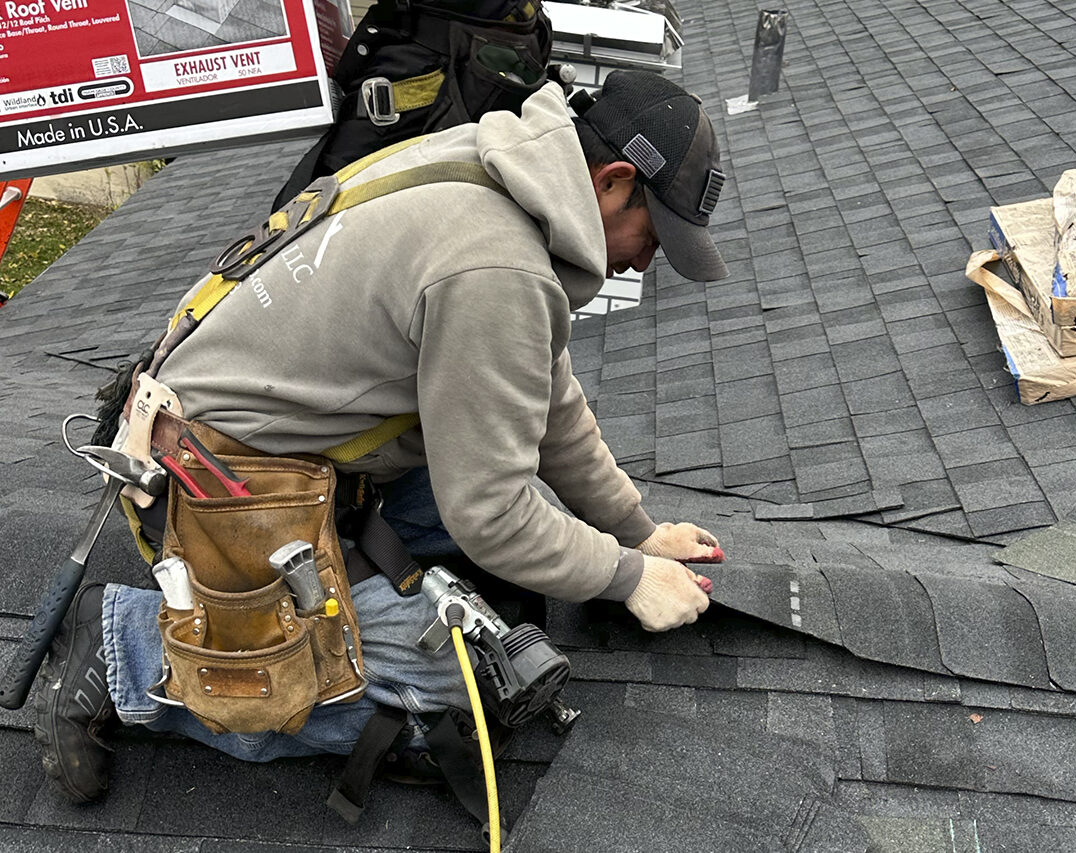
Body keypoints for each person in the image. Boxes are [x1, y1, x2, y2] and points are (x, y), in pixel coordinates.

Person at [32, 69, 731, 804]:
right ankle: (120, 648)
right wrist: (627, 578)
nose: (646, 262)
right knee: (472, 686)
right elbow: (491, 514)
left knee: (513, 547)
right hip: (216, 491)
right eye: (653, 235)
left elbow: (548, 401)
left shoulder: (502, 170)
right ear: (616, 181)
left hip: (270, 446)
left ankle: (349, 588)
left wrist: (637, 535)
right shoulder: (495, 265)